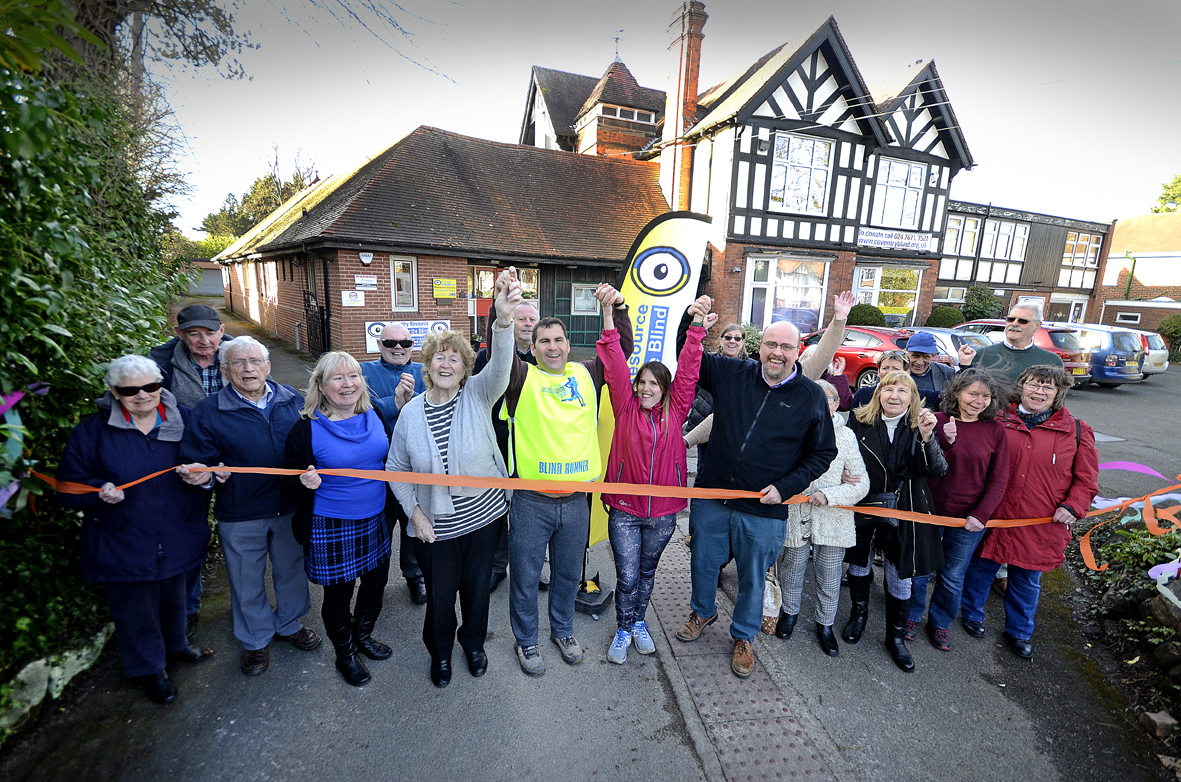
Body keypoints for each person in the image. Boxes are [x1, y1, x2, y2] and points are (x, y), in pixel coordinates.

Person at [675, 319, 837, 679]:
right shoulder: (734, 373)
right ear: (758, 345)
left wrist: (787, 487)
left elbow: (823, 453)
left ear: (798, 352)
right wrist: (693, 320)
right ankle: (702, 611)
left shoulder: (809, 396)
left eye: (786, 347)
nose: (777, 353)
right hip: (714, 497)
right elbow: (687, 359)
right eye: (771, 344)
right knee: (703, 561)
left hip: (765, 510)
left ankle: (743, 636)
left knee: (752, 577)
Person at [388, 270, 521, 687]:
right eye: (438, 357)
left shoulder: (479, 394)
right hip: (436, 529)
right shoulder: (410, 414)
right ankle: (441, 654)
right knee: (440, 601)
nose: (446, 364)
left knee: (478, 594)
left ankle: (474, 644)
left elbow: (501, 364)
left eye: (455, 358)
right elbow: (396, 469)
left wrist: (502, 320)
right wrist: (414, 514)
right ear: (427, 365)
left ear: (465, 368)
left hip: (484, 521)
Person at [56, 356, 213, 704]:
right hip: (122, 538)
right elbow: (67, 487)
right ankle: (150, 669)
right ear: (114, 392)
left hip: (179, 531)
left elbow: (216, 464)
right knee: (135, 608)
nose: (142, 395)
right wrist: (97, 491)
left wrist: (205, 476)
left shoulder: (186, 419)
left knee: (175, 595)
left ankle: (177, 646)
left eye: (151, 387)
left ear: (161, 385)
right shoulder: (92, 431)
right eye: (130, 390)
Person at [498, 282, 633, 677]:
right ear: (534, 347)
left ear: (569, 344)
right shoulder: (522, 379)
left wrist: (618, 307)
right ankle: (526, 640)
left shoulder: (587, 375)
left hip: (576, 501)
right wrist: (501, 314)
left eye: (558, 339)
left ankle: (563, 631)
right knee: (524, 578)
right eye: (544, 341)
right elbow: (502, 353)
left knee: (568, 575)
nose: (552, 347)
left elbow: (618, 351)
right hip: (531, 501)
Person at [177, 336, 320, 676]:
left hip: (288, 505)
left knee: (290, 571)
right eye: (238, 363)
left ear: (267, 366)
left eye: (255, 361)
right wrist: (207, 476)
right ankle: (255, 640)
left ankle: (288, 623)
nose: (248, 369)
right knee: (246, 579)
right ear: (225, 370)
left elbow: (311, 444)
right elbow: (197, 463)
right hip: (241, 511)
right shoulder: (209, 411)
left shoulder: (293, 400)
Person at [599, 294, 711, 664]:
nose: (646, 388)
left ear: (664, 389)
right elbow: (614, 362)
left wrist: (696, 329)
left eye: (653, 384)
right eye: (642, 382)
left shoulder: (677, 410)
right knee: (628, 575)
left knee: (647, 574)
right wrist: (608, 313)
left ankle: (637, 624)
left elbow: (689, 370)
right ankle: (622, 627)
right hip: (626, 510)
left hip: (663, 512)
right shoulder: (625, 407)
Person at [959, 366, 1098, 659]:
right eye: (1035, 385)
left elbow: (1086, 480)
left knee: (1026, 579)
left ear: (1058, 394)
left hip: (1040, 521)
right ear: (1022, 386)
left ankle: (1019, 632)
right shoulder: (997, 419)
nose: (1040, 392)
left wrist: (1073, 505)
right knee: (980, 567)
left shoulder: (1076, 430)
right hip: (994, 513)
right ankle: (971, 614)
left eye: (1048, 388)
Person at [284, 352, 392, 687]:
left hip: (375, 519)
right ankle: (345, 654)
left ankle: (363, 636)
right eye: (338, 378)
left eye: (354, 376)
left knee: (376, 585)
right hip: (331, 524)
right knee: (339, 595)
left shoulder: (375, 415)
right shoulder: (305, 429)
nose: (348, 384)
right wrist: (302, 483)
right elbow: (287, 481)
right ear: (321, 384)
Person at [842, 372, 946, 673]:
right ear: (878, 394)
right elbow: (843, 456)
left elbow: (937, 470)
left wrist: (927, 438)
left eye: (903, 390)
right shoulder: (860, 421)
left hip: (906, 508)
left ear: (912, 398)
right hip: (865, 503)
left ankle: (895, 637)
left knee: (899, 574)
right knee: (859, 565)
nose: (894, 395)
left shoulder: (920, 426)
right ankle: (858, 616)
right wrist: (845, 474)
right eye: (888, 388)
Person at [906, 369, 1010, 652]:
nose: (979, 401)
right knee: (919, 571)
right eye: (973, 393)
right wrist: (946, 442)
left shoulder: (996, 431)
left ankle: (940, 622)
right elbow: (925, 467)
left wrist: (982, 514)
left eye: (985, 396)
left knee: (952, 575)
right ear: (956, 394)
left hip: (967, 519)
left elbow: (1000, 478)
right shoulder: (936, 421)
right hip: (928, 511)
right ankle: (911, 616)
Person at [148, 302, 234, 639]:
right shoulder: (162, 363)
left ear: (221, 332)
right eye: (193, 334)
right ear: (179, 334)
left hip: (235, 459)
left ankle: (249, 599)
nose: (203, 341)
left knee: (245, 528)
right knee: (189, 533)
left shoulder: (239, 356)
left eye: (210, 333)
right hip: (188, 459)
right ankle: (188, 609)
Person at [774, 379, 868, 657]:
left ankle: (824, 623)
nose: (822, 402)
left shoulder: (846, 436)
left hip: (833, 519)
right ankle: (789, 613)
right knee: (792, 567)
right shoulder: (791, 428)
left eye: (829, 398)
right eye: (816, 396)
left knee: (829, 573)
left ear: (837, 403)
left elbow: (861, 484)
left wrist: (831, 494)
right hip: (796, 513)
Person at [472, 301, 540, 593]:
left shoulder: (548, 358)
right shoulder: (488, 355)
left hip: (533, 443)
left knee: (530, 511)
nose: (525, 323)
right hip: (498, 440)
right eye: (520, 318)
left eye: (531, 319)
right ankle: (498, 566)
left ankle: (531, 569)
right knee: (498, 508)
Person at [361, 322, 428, 606]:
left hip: (415, 467)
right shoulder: (365, 372)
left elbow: (434, 407)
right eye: (390, 343)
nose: (398, 348)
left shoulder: (425, 371)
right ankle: (377, 582)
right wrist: (396, 404)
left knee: (413, 525)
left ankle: (414, 576)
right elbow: (360, 409)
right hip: (378, 467)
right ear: (380, 345)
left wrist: (410, 405)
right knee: (381, 528)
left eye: (404, 343)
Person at [961, 302, 1063, 382]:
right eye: (1010, 319)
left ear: (1037, 326)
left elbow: (1057, 404)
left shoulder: (1052, 361)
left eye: (1022, 321)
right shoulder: (981, 355)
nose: (1014, 324)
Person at [850, 350, 940, 410]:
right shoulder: (863, 394)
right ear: (878, 371)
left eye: (895, 369)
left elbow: (950, 401)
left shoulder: (921, 396)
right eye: (885, 368)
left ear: (907, 373)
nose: (889, 372)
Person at [905, 331, 957, 395]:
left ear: (933, 357)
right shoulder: (896, 370)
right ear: (906, 354)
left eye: (926, 357)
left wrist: (965, 365)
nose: (920, 362)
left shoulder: (947, 373)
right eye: (915, 356)